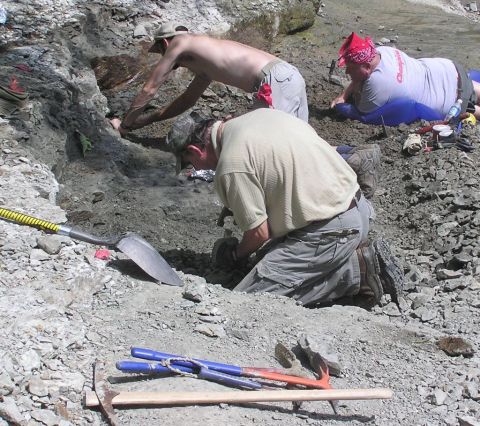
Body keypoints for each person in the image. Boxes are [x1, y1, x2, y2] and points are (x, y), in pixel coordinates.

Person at [165, 108, 404, 308]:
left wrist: (236, 255)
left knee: (249, 301)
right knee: (266, 261)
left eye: (190, 163)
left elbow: (259, 233)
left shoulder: (231, 163)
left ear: (195, 150)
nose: (194, 169)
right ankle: (341, 260)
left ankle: (357, 271)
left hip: (332, 230)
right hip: (357, 208)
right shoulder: (259, 116)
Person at [110, 22, 309, 135]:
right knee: (302, 141)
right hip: (288, 75)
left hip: (274, 81)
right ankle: (340, 155)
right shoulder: (206, 64)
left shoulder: (179, 41)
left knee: (274, 141)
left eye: (162, 52)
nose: (165, 57)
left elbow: (149, 89)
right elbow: (186, 101)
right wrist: (145, 121)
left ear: (165, 43)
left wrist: (124, 125)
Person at [330, 32, 480, 119]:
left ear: (367, 67)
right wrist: (344, 94)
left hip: (451, 100)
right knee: (472, 88)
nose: (347, 72)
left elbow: (361, 113)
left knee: (472, 109)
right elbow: (361, 76)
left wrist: (344, 102)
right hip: (449, 70)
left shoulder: (377, 86)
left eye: (350, 68)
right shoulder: (383, 51)